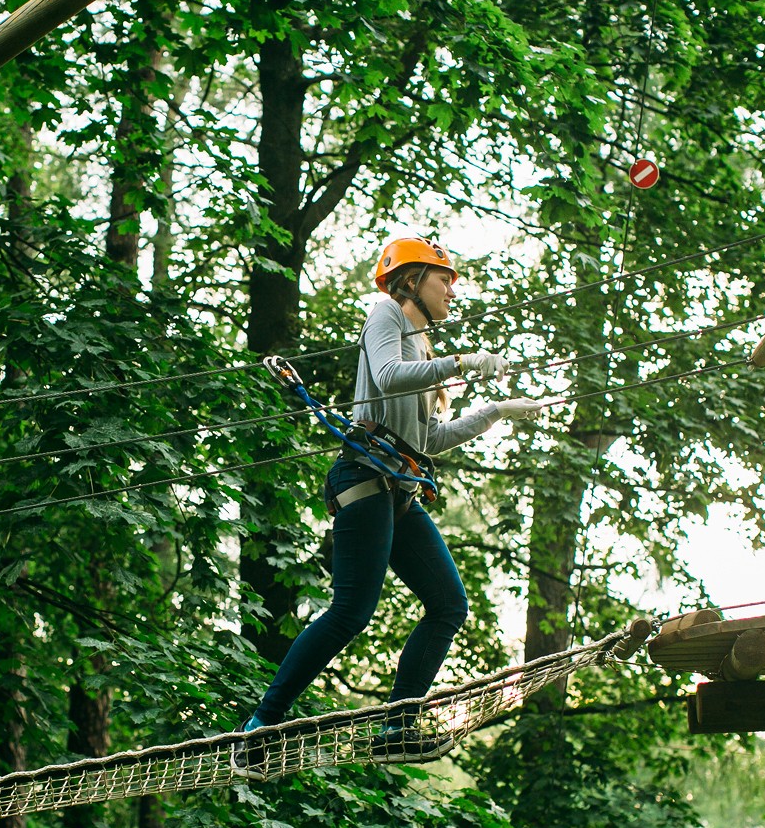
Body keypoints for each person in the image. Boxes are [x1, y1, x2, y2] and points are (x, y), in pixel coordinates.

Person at [232, 238, 545, 780]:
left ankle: (399, 724)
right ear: (411, 281)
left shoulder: (421, 347)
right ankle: (258, 727)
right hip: (365, 479)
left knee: (449, 604)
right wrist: (464, 362)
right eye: (443, 278)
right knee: (351, 612)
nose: (452, 289)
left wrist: (493, 411)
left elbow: (427, 439)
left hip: (398, 487)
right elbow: (385, 377)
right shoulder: (385, 316)